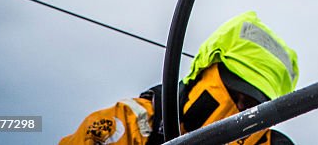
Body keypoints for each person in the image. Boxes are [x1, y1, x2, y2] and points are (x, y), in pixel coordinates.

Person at [60, 11, 299, 145]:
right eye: (237, 95)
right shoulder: (136, 124)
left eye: (256, 106)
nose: (243, 110)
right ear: (205, 73)